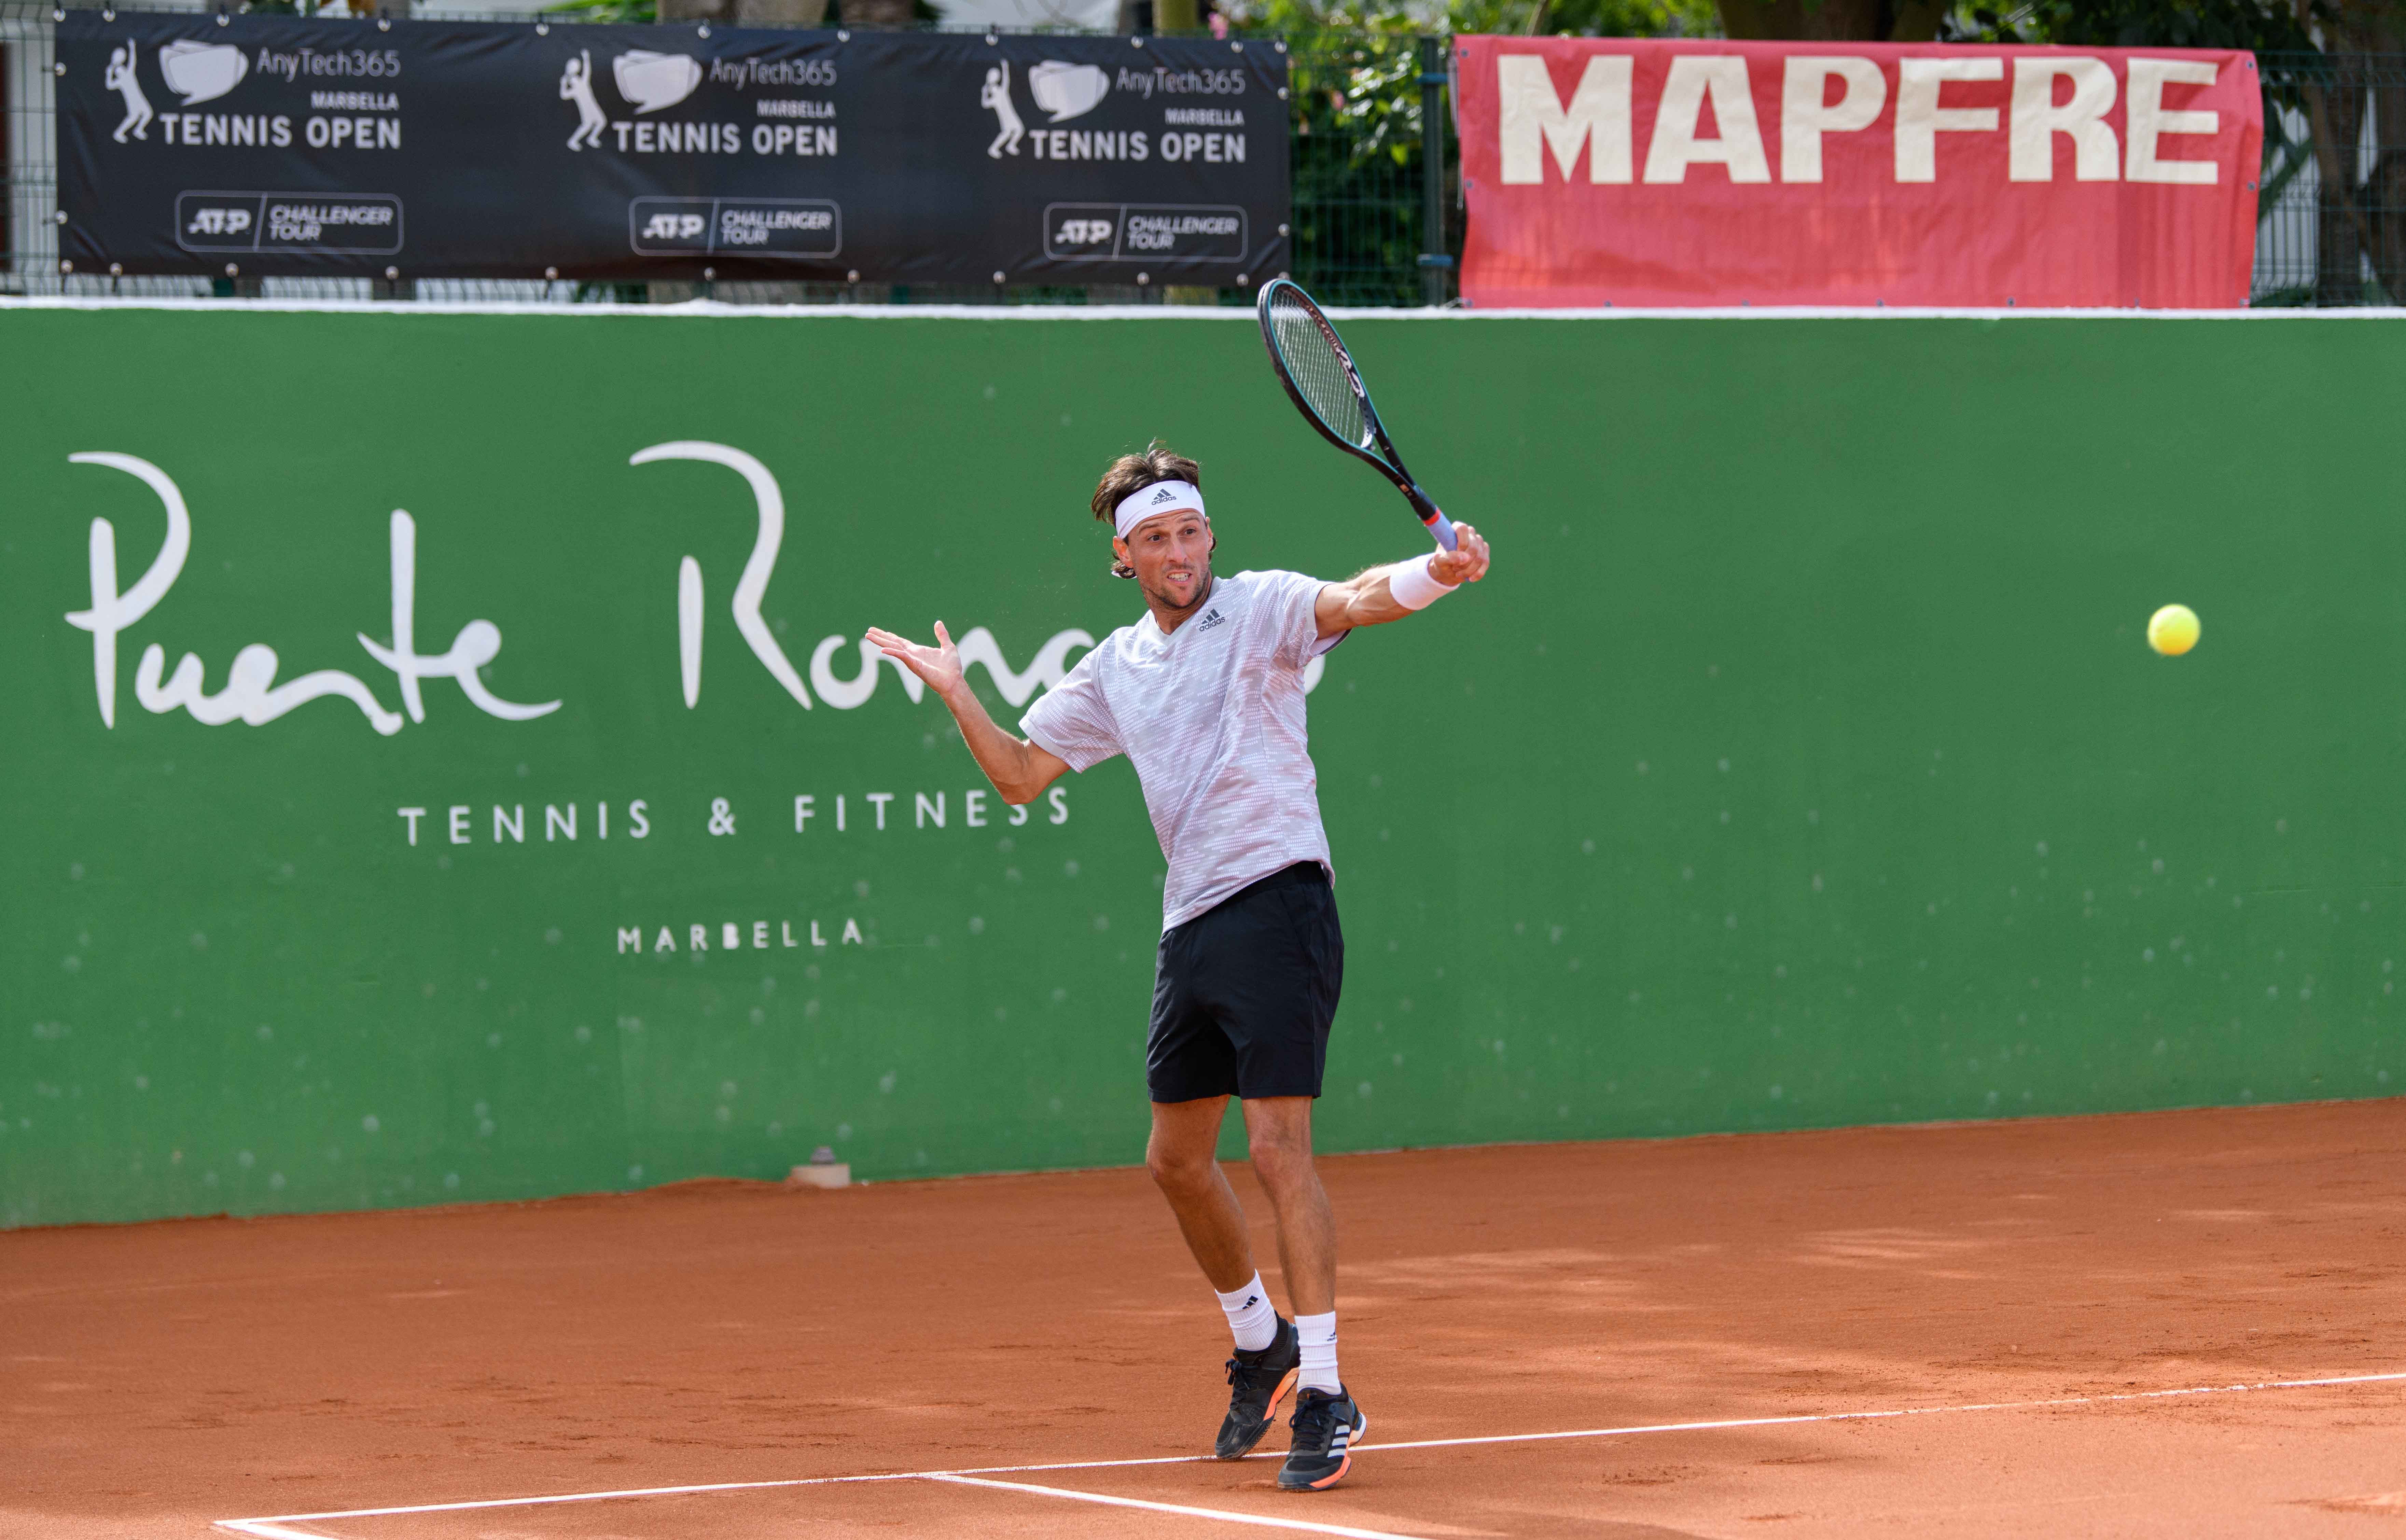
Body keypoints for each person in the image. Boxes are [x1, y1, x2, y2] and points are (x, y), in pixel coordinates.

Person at [868, 443, 1490, 1492]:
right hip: (1191, 922)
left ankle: (1330, 1393)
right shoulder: (1116, 669)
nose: (1178, 552)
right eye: (1154, 539)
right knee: (1174, 1159)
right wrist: (957, 695)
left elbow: (1356, 598)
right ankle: (1263, 1344)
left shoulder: (1262, 609)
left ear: (1210, 534)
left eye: (1189, 531)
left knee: (1279, 1148)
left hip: (1281, 896)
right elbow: (1022, 778)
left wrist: (1438, 571)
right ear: (1124, 555)